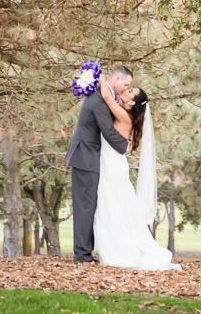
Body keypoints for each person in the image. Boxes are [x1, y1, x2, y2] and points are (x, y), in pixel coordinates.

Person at [94, 78, 180, 270]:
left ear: (132, 102)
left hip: (113, 166)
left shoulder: (125, 117)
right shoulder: (124, 114)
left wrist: (96, 74)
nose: (125, 91)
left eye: (130, 91)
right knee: (116, 207)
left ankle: (119, 249)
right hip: (111, 164)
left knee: (112, 206)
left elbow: (107, 96)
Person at [65, 63, 135, 263]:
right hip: (85, 156)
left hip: (90, 156)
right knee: (85, 205)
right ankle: (82, 255)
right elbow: (108, 131)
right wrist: (125, 147)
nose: (126, 88)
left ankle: (86, 251)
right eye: (126, 84)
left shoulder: (104, 96)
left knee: (90, 204)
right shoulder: (99, 100)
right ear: (117, 79)